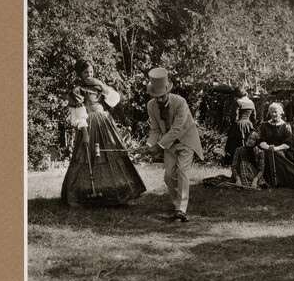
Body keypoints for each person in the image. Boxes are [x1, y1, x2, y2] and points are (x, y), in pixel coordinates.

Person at [61, 59, 146, 207]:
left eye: (91, 71)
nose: (89, 74)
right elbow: (79, 114)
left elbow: (114, 100)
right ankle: (86, 194)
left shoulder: (99, 86)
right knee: (88, 156)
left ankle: (116, 192)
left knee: (111, 155)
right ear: (80, 73)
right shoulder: (78, 90)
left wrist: (101, 85)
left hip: (105, 123)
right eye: (86, 72)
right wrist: (85, 133)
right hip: (88, 124)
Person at [145, 67, 204, 222]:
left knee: (183, 172)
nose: (159, 99)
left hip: (186, 140)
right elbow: (155, 129)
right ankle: (177, 203)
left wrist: (158, 146)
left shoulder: (180, 102)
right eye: (155, 96)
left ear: (168, 92)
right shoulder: (151, 106)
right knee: (169, 176)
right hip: (169, 144)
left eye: (162, 96)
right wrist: (149, 144)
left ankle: (180, 210)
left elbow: (177, 129)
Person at [258, 103, 294, 188]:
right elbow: (261, 140)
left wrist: (276, 148)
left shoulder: (285, 126)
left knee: (276, 154)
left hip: (281, 150)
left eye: (275, 112)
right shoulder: (264, 125)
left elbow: (288, 144)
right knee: (269, 154)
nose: (273, 114)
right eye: (271, 112)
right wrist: (268, 147)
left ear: (281, 112)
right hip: (266, 149)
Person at [224, 85, 256, 165]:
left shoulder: (237, 102)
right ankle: (247, 161)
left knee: (236, 145)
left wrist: (233, 124)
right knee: (247, 143)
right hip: (248, 125)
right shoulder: (251, 102)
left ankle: (237, 162)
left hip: (239, 126)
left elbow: (234, 116)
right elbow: (254, 117)